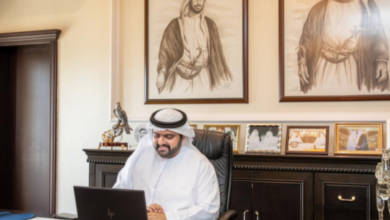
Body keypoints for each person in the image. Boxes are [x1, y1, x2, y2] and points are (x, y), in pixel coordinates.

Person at [113, 108, 220, 220]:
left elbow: (209, 211)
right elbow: (120, 192)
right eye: (157, 136)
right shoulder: (140, 156)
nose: (161, 142)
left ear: (182, 137)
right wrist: (141, 210)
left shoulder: (201, 165)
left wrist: (166, 217)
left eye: (168, 136)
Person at [297, 0, 389, 93]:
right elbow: (307, 39)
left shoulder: (368, 7)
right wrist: (302, 61)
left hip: (356, 70)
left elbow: (378, 37)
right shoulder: (318, 9)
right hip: (323, 70)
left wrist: (381, 60)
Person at [156, 0, 232, 93]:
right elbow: (165, 52)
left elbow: (218, 57)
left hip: (204, 78)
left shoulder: (210, 25)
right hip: (179, 80)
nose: (198, 2)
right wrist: (162, 73)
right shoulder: (175, 25)